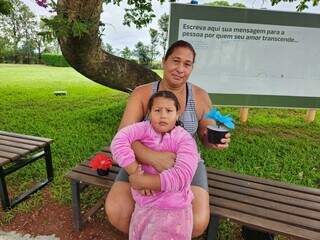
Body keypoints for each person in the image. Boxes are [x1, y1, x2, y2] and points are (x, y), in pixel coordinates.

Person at [106, 40, 271, 239]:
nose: (180, 69)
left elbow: (205, 134)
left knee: (197, 222)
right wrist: (151, 158)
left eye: (187, 64)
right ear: (164, 61)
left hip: (185, 164)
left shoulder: (200, 96)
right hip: (140, 160)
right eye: (176, 61)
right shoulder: (142, 93)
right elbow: (123, 135)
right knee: (118, 212)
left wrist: (215, 140)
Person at [111, 90, 199, 239]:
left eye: (169, 110)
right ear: (149, 113)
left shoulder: (184, 139)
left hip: (175, 210)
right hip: (144, 205)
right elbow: (119, 141)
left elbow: (183, 176)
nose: (163, 115)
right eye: (157, 110)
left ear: (177, 114)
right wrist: (135, 171)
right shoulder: (142, 129)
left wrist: (144, 181)